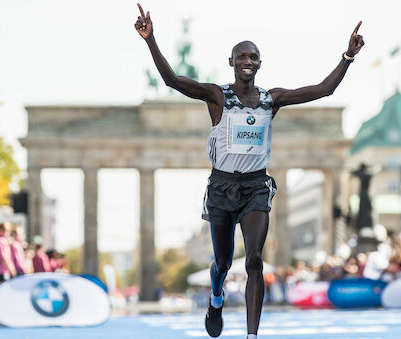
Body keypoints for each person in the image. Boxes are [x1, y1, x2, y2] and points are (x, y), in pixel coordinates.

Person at [134, 4, 364, 338]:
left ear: (259, 63)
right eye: (241, 56)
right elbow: (172, 80)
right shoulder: (217, 96)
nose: (247, 61)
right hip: (222, 187)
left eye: (253, 57)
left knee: (254, 260)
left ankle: (251, 335)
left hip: (256, 186)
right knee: (223, 263)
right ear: (231, 63)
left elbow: (323, 90)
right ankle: (217, 296)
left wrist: (347, 56)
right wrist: (150, 39)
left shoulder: (273, 99)